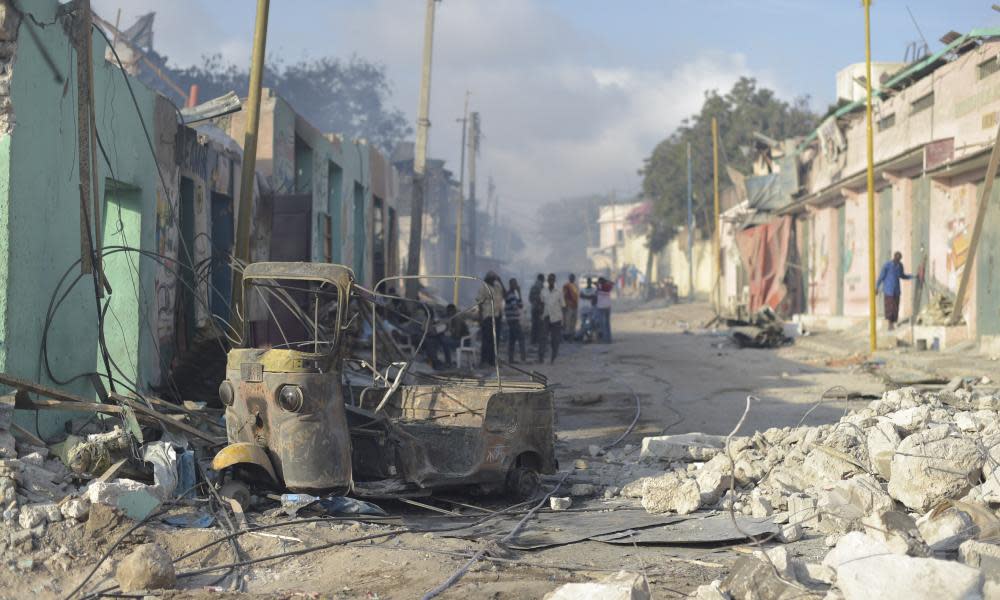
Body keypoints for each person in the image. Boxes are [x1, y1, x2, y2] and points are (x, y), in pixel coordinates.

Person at [876, 251, 913, 331]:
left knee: (896, 307)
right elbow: (881, 277)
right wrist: (877, 287)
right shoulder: (887, 265)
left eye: (899, 259)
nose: (898, 260)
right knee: (889, 307)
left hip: (896, 290)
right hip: (888, 290)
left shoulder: (900, 266)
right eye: (897, 258)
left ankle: (894, 322)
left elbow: (902, 275)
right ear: (894, 257)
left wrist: (912, 276)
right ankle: (890, 324)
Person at [476, 272, 505, 366]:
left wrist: (501, 281)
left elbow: (505, 293)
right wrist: (480, 318)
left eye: (494, 278)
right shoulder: (484, 287)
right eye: (492, 278)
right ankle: (483, 360)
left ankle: (492, 360)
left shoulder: (498, 286)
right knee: (486, 339)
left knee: (495, 340)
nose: (493, 279)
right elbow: (479, 303)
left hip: (497, 316)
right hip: (487, 315)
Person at [539, 273, 565, 363]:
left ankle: (553, 357)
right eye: (549, 279)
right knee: (543, 338)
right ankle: (541, 357)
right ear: (547, 281)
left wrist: (563, 320)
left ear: (554, 281)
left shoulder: (559, 292)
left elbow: (563, 306)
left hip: (556, 318)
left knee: (555, 339)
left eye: (552, 279)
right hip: (546, 317)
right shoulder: (543, 291)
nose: (551, 281)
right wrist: (540, 315)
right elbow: (541, 304)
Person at [504, 278, 527, 363]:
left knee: (512, 340)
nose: (516, 285)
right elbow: (517, 306)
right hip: (513, 320)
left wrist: (519, 294)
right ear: (511, 285)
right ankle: (523, 358)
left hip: (511, 319)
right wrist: (519, 294)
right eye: (514, 284)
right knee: (521, 338)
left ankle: (511, 358)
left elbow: (520, 305)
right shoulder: (511, 295)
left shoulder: (511, 294)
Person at [528, 273, 545, 346]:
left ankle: (533, 340)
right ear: (542, 279)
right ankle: (537, 340)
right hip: (539, 309)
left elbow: (530, 298)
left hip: (534, 308)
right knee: (539, 326)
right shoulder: (541, 286)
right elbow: (542, 298)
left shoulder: (533, 286)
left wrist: (534, 303)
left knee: (534, 325)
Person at [596, 276, 614, 343]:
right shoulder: (608, 287)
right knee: (607, 323)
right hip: (608, 307)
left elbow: (597, 286)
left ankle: (604, 339)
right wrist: (606, 281)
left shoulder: (599, 287)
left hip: (601, 307)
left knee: (602, 324)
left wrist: (600, 282)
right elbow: (612, 283)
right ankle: (609, 339)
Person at [562, 273, 579, 341]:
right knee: (568, 322)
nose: (572, 279)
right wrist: (565, 306)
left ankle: (572, 336)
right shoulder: (566, 286)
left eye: (573, 277)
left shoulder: (575, 286)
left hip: (575, 306)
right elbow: (564, 296)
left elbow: (577, 296)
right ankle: (567, 337)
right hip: (569, 306)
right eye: (571, 277)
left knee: (573, 322)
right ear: (569, 278)